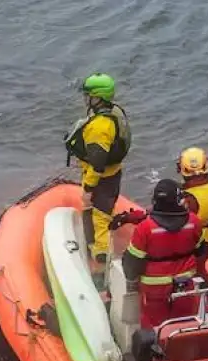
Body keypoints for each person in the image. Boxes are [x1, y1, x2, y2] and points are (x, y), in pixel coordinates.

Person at [64, 72, 132, 287]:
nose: (85, 99)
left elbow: (97, 163)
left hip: (102, 180)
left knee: (100, 220)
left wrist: (89, 187)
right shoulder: (115, 112)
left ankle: (101, 269)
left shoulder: (100, 127)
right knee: (97, 214)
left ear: (98, 97)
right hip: (113, 174)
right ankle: (94, 245)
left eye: (88, 95)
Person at [120, 179, 205, 329]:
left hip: (154, 289)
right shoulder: (194, 222)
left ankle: (155, 350)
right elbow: (200, 251)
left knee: (153, 326)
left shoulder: (145, 228)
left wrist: (132, 284)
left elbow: (131, 263)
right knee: (183, 325)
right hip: (185, 284)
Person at [176, 147, 208, 305]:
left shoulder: (188, 199)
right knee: (200, 267)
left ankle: (206, 299)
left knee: (194, 270)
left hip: (195, 239)